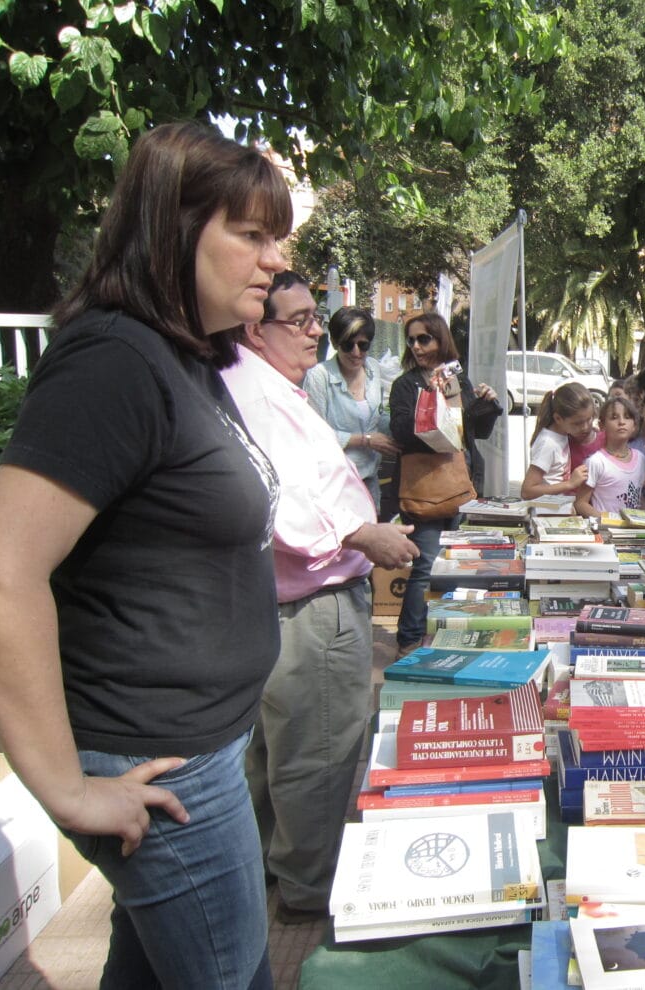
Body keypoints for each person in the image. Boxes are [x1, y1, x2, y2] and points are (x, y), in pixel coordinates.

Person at [0, 121, 288, 988]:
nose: (274, 259)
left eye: (278, 238)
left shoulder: (184, 359)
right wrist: (67, 791)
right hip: (160, 763)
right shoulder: (114, 361)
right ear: (173, 228)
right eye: (252, 235)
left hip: (201, 747)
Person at [221, 271, 419, 923]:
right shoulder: (253, 390)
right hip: (312, 603)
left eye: (317, 318)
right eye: (302, 320)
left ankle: (278, 873)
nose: (317, 332)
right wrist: (365, 534)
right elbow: (273, 497)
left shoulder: (272, 385)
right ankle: (309, 888)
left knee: (282, 752)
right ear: (256, 328)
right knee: (318, 751)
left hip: (296, 598)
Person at [389, 313, 502, 654]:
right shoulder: (406, 385)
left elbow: (474, 433)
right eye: (411, 340)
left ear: (441, 340)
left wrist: (488, 403)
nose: (417, 346)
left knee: (457, 564)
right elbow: (401, 431)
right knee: (425, 565)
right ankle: (409, 639)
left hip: (460, 483)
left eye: (424, 339)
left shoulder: (456, 380)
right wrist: (430, 400)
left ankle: (442, 634)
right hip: (424, 487)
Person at [301, 306, 399, 513]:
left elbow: (376, 418)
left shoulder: (372, 368)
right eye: (348, 345)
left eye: (363, 345)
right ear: (336, 343)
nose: (356, 352)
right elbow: (314, 436)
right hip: (335, 484)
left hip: (369, 479)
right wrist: (365, 440)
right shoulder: (320, 376)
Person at [521, 382, 597, 499]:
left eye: (589, 419)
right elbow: (527, 491)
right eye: (578, 423)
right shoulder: (548, 443)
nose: (586, 427)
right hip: (545, 514)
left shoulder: (563, 434)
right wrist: (569, 484)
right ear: (558, 418)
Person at [575, 396, 645, 517]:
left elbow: (638, 496)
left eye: (627, 417)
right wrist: (608, 520)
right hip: (607, 532)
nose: (621, 422)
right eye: (614, 417)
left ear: (634, 425)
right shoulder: (596, 462)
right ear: (602, 425)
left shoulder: (640, 458)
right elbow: (580, 503)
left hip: (634, 532)